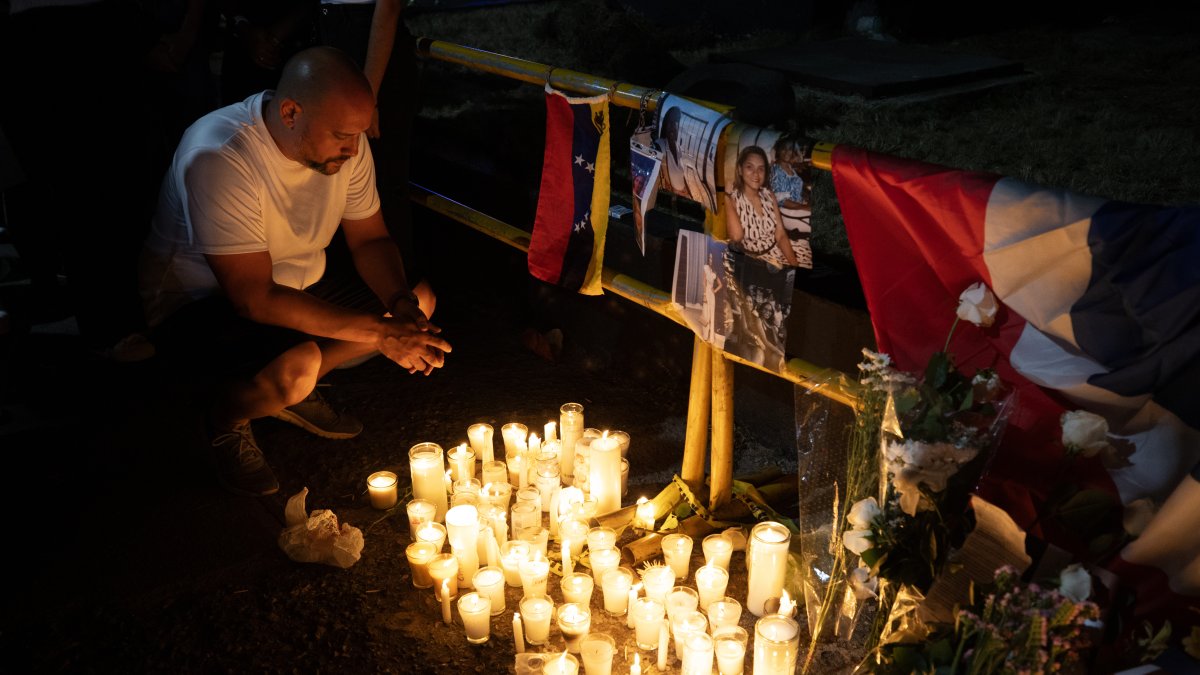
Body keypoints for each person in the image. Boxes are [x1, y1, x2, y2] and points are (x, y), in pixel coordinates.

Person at [139, 46, 451, 497]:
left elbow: (371, 240)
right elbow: (253, 297)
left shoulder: (348, 144)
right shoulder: (221, 156)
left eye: (359, 135)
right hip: (200, 306)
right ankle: (224, 415)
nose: (353, 148)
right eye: (343, 135)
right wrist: (381, 335)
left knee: (418, 298)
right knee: (297, 367)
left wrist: (400, 309)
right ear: (290, 112)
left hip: (294, 284)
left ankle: (291, 389)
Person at [724, 145, 799, 269]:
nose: (756, 174)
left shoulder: (769, 195)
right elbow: (736, 236)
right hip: (755, 262)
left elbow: (780, 235)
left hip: (779, 252)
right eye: (749, 167)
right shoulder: (732, 200)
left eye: (761, 169)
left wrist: (794, 264)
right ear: (740, 170)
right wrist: (726, 198)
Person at [769, 135, 814, 269]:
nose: (788, 152)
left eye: (790, 149)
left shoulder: (790, 169)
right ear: (778, 151)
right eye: (784, 149)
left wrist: (805, 199)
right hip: (786, 213)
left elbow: (796, 191)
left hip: (796, 209)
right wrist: (803, 207)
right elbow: (781, 201)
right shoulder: (776, 170)